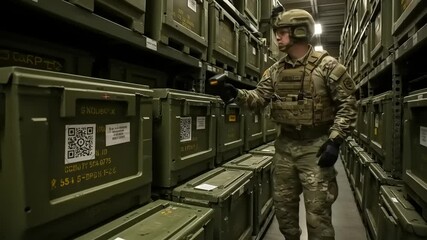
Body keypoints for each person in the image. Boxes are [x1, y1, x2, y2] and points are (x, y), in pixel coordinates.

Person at [210, 8, 357, 240]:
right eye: (276, 32)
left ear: (299, 31)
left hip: (316, 149)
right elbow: (258, 98)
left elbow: (347, 105)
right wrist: (234, 93)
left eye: (282, 32)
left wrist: (335, 141)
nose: (277, 37)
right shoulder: (276, 71)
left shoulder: (327, 66)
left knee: (317, 217)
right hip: (284, 148)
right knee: (284, 213)